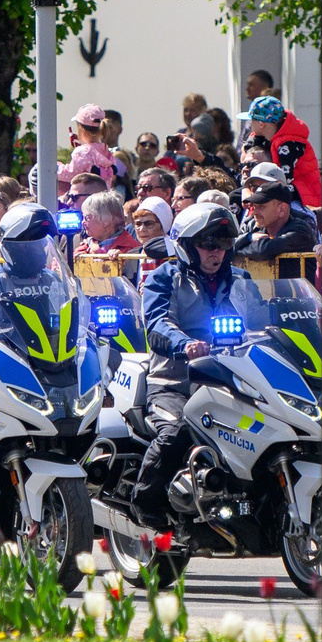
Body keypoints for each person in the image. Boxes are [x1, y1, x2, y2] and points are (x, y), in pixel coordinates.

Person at [127, 202, 260, 526]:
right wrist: (185, 344)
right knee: (179, 429)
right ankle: (146, 504)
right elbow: (157, 322)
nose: (217, 252)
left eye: (224, 244)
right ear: (186, 246)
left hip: (234, 381)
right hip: (175, 381)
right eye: (208, 244)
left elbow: (264, 320)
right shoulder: (165, 278)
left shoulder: (241, 280)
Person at [243, 96, 322, 211]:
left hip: (301, 199)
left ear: (261, 124)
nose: (250, 125)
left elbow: (284, 180)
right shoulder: (270, 139)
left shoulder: (288, 145)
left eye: (252, 120)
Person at [236, 164, 319, 264]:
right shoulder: (252, 224)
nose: (254, 212)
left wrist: (240, 250)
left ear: (281, 209)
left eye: (262, 206)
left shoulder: (300, 227)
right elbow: (228, 248)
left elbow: (264, 250)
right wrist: (249, 237)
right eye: (254, 187)